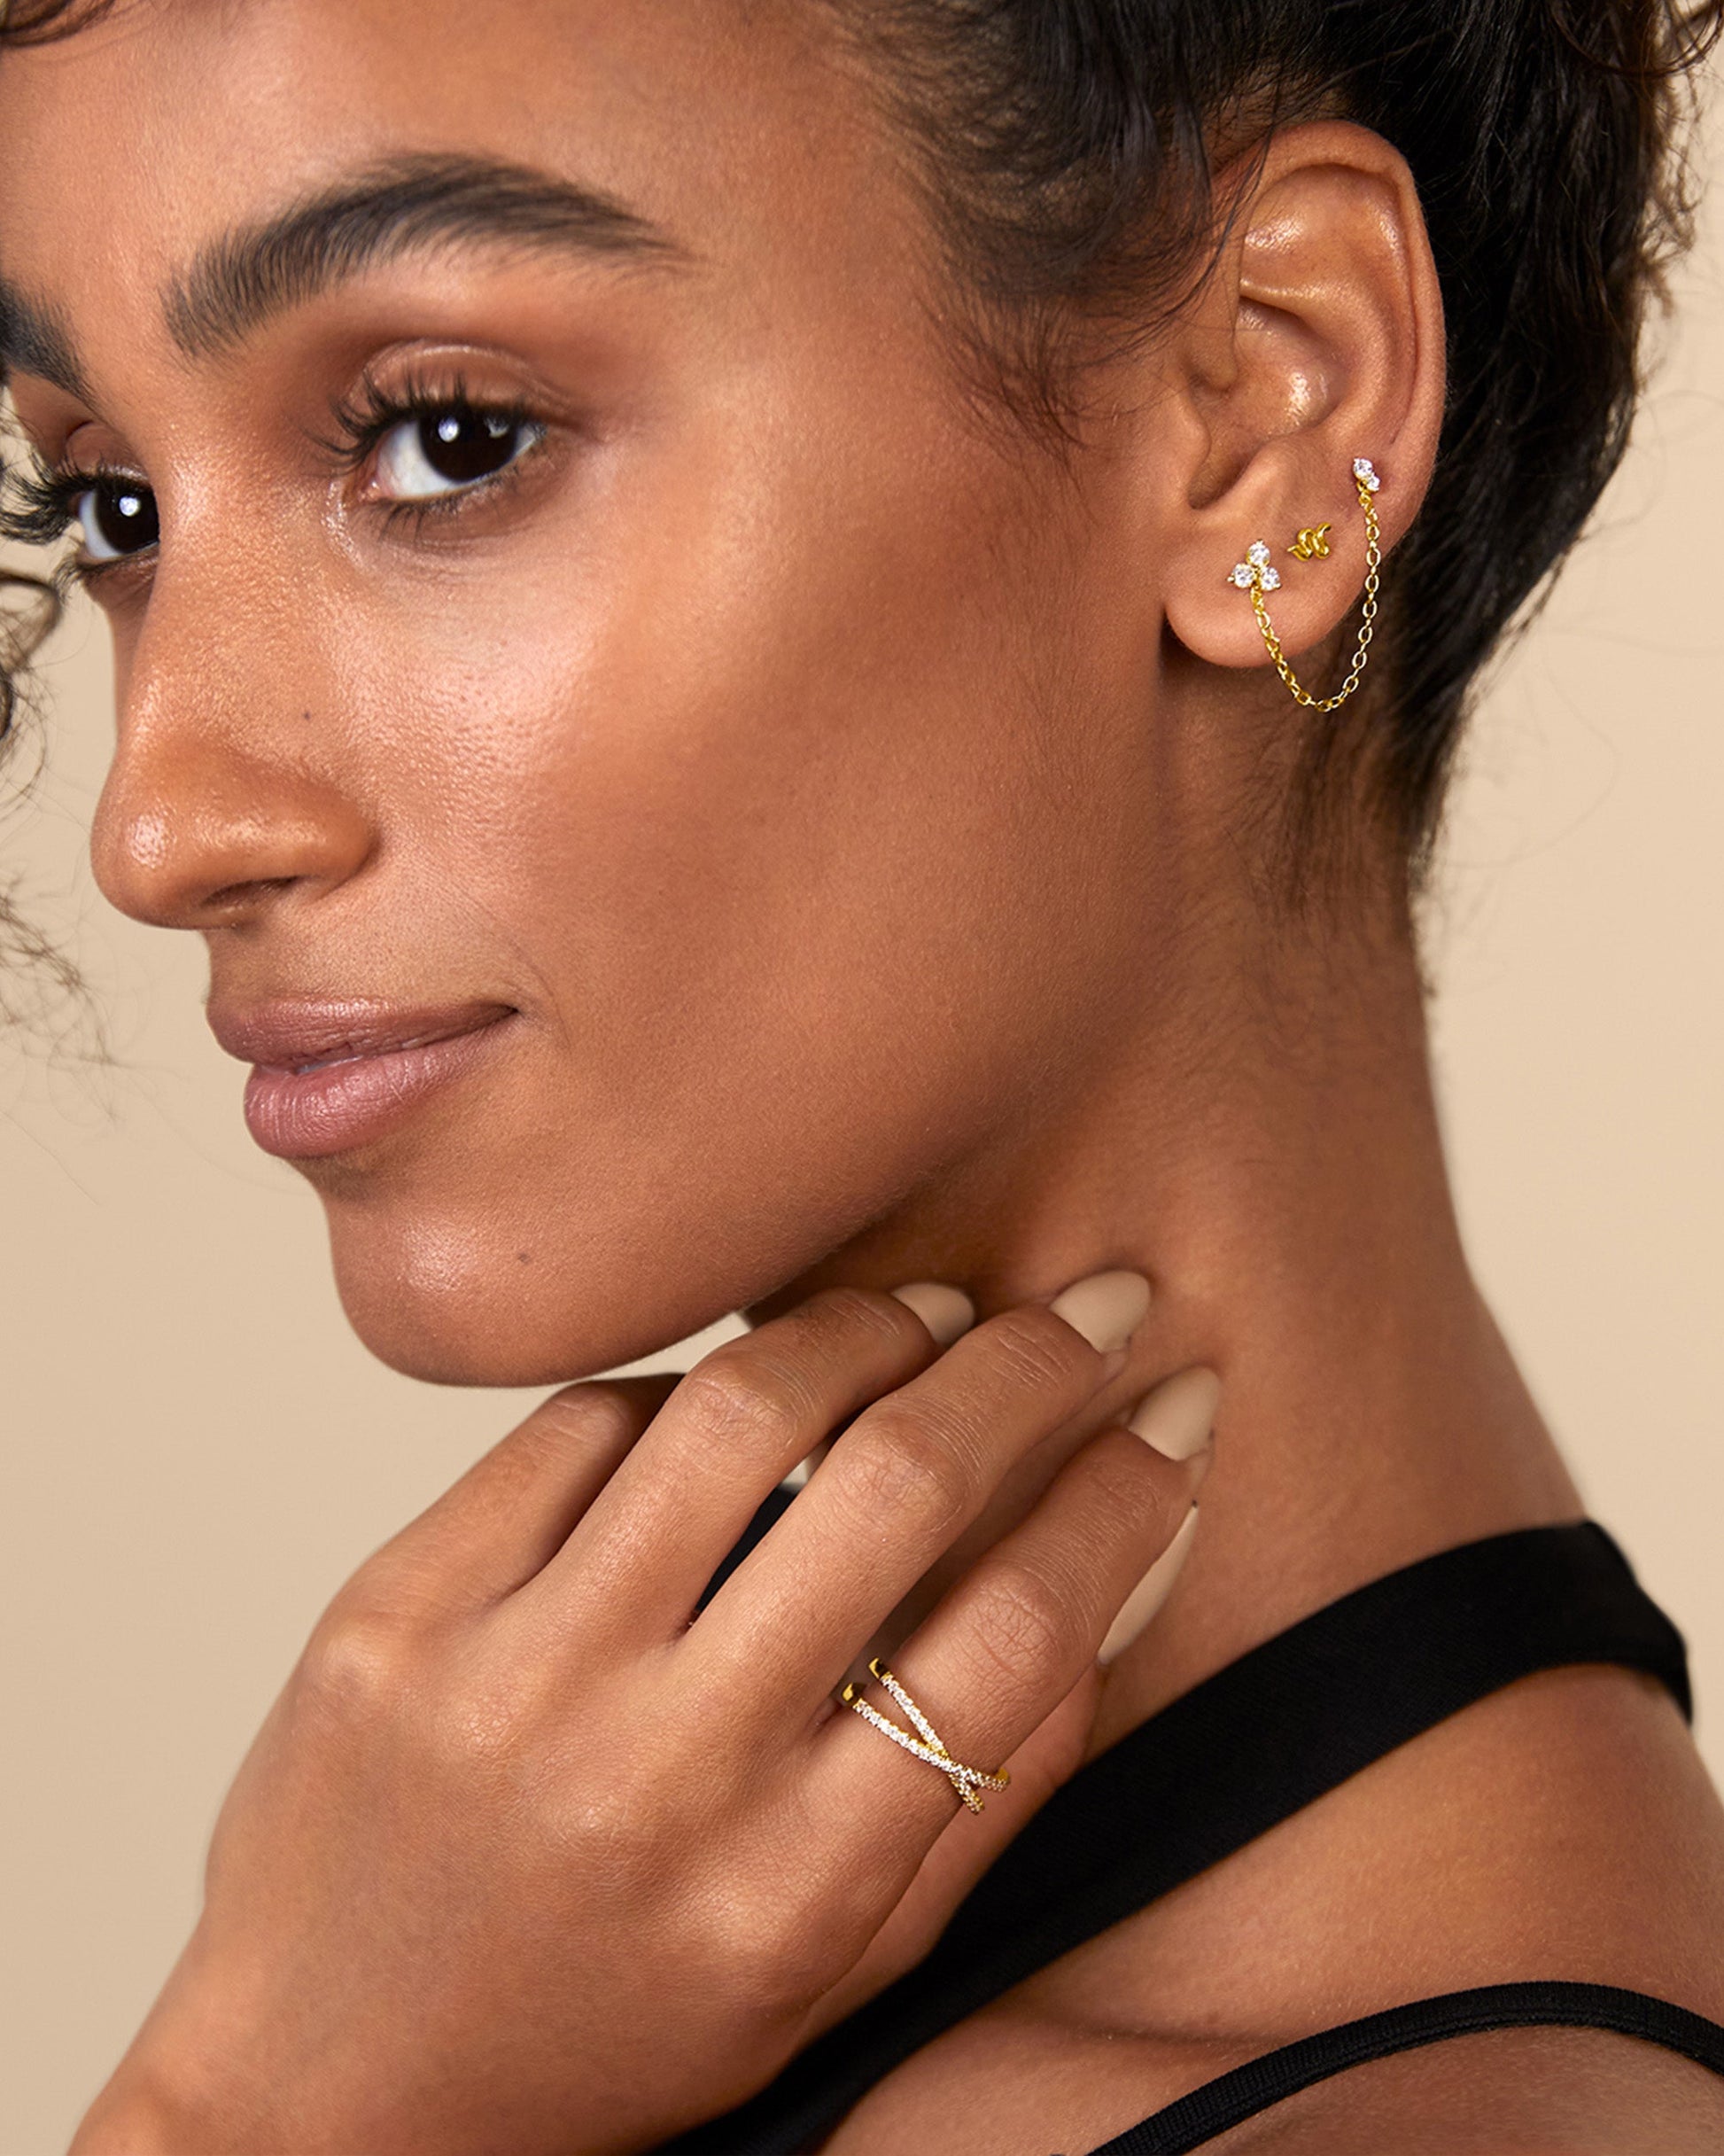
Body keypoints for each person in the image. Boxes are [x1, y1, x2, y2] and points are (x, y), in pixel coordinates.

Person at [4, 0, 1723, 2149]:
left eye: (446, 438)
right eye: (114, 504)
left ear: (1259, 413)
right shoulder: (560, 1969)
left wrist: (250, 2109)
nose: (160, 825)